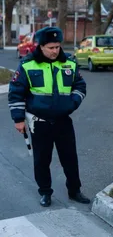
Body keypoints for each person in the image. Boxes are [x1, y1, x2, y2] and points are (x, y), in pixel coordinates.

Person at [8, 26, 90, 207]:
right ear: (41, 46)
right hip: (40, 123)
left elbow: (80, 86)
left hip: (63, 121)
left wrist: (72, 103)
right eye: (51, 47)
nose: (55, 51)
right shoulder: (27, 64)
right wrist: (18, 119)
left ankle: (74, 191)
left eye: (57, 47)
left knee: (70, 159)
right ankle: (45, 192)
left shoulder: (69, 62)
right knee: (42, 160)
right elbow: (16, 93)